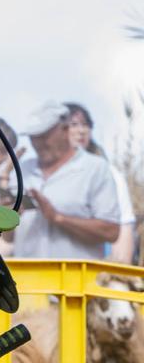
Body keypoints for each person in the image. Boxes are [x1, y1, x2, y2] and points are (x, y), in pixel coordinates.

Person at [13, 101, 122, 261]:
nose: (38, 144)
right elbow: (8, 238)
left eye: (44, 136)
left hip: (75, 281)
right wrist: (8, 213)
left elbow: (111, 231)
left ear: (65, 129)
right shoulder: (21, 170)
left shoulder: (95, 169)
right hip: (27, 280)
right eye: (33, 138)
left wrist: (58, 218)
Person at [65, 102, 131, 261]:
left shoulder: (109, 173)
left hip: (92, 269)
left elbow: (124, 226)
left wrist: (119, 271)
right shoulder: (37, 175)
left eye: (85, 125)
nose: (81, 131)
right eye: (73, 124)